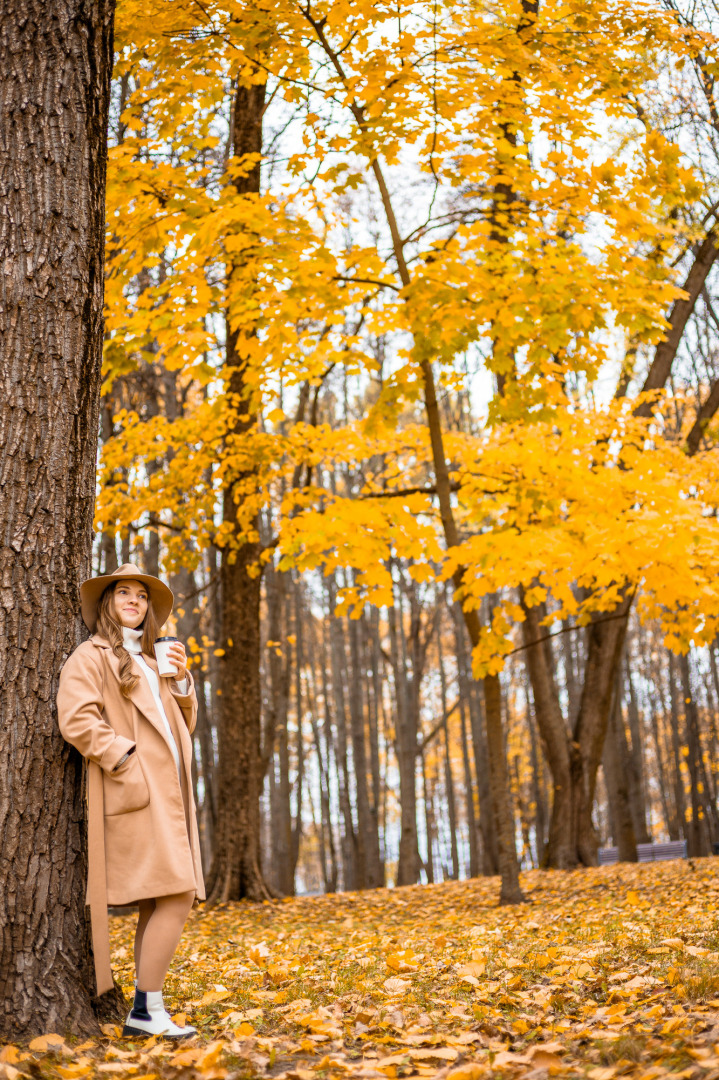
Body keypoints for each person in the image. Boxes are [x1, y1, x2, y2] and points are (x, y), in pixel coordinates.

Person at [57, 563, 205, 1039]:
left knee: (161, 898)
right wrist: (125, 759)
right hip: (135, 791)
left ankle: (146, 1009)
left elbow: (182, 725)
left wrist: (181, 682)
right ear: (108, 602)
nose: (134, 601)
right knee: (179, 895)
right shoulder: (92, 656)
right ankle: (146, 1009)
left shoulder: (154, 657)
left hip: (171, 794)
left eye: (142, 596)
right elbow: (77, 720)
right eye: (124, 592)